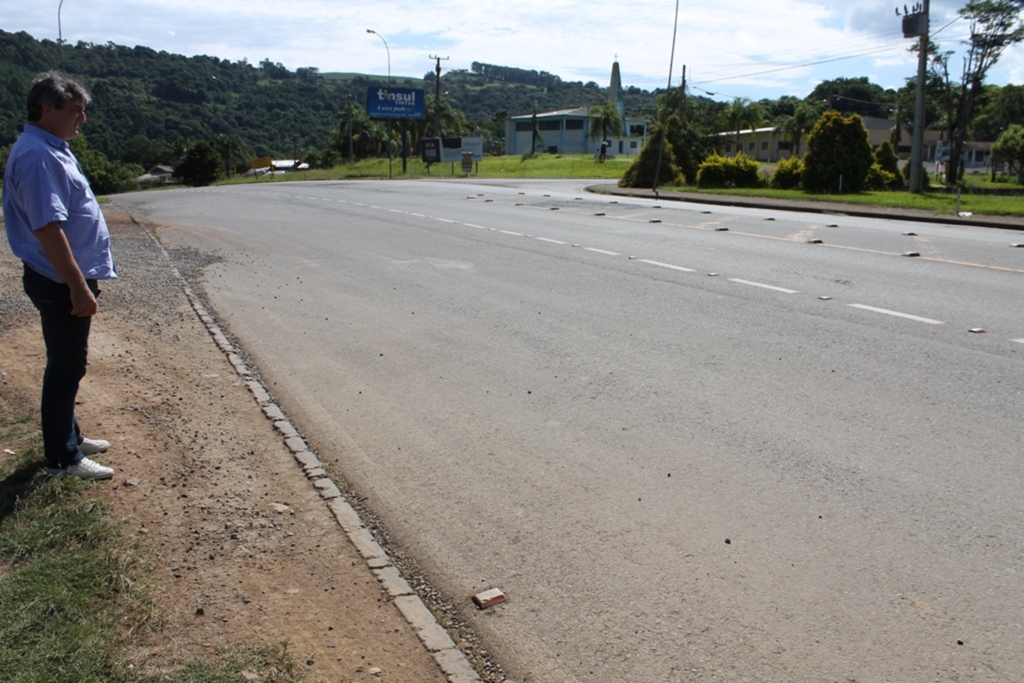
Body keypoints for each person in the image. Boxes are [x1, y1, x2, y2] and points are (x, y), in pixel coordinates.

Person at [3, 72, 118, 480]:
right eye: (76, 110)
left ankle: (68, 436)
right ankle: (62, 459)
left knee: (67, 362)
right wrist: (77, 285)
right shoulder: (37, 156)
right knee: (67, 366)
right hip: (58, 280)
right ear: (47, 109)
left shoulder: (51, 147)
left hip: (62, 278)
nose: (82, 119)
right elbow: (47, 228)